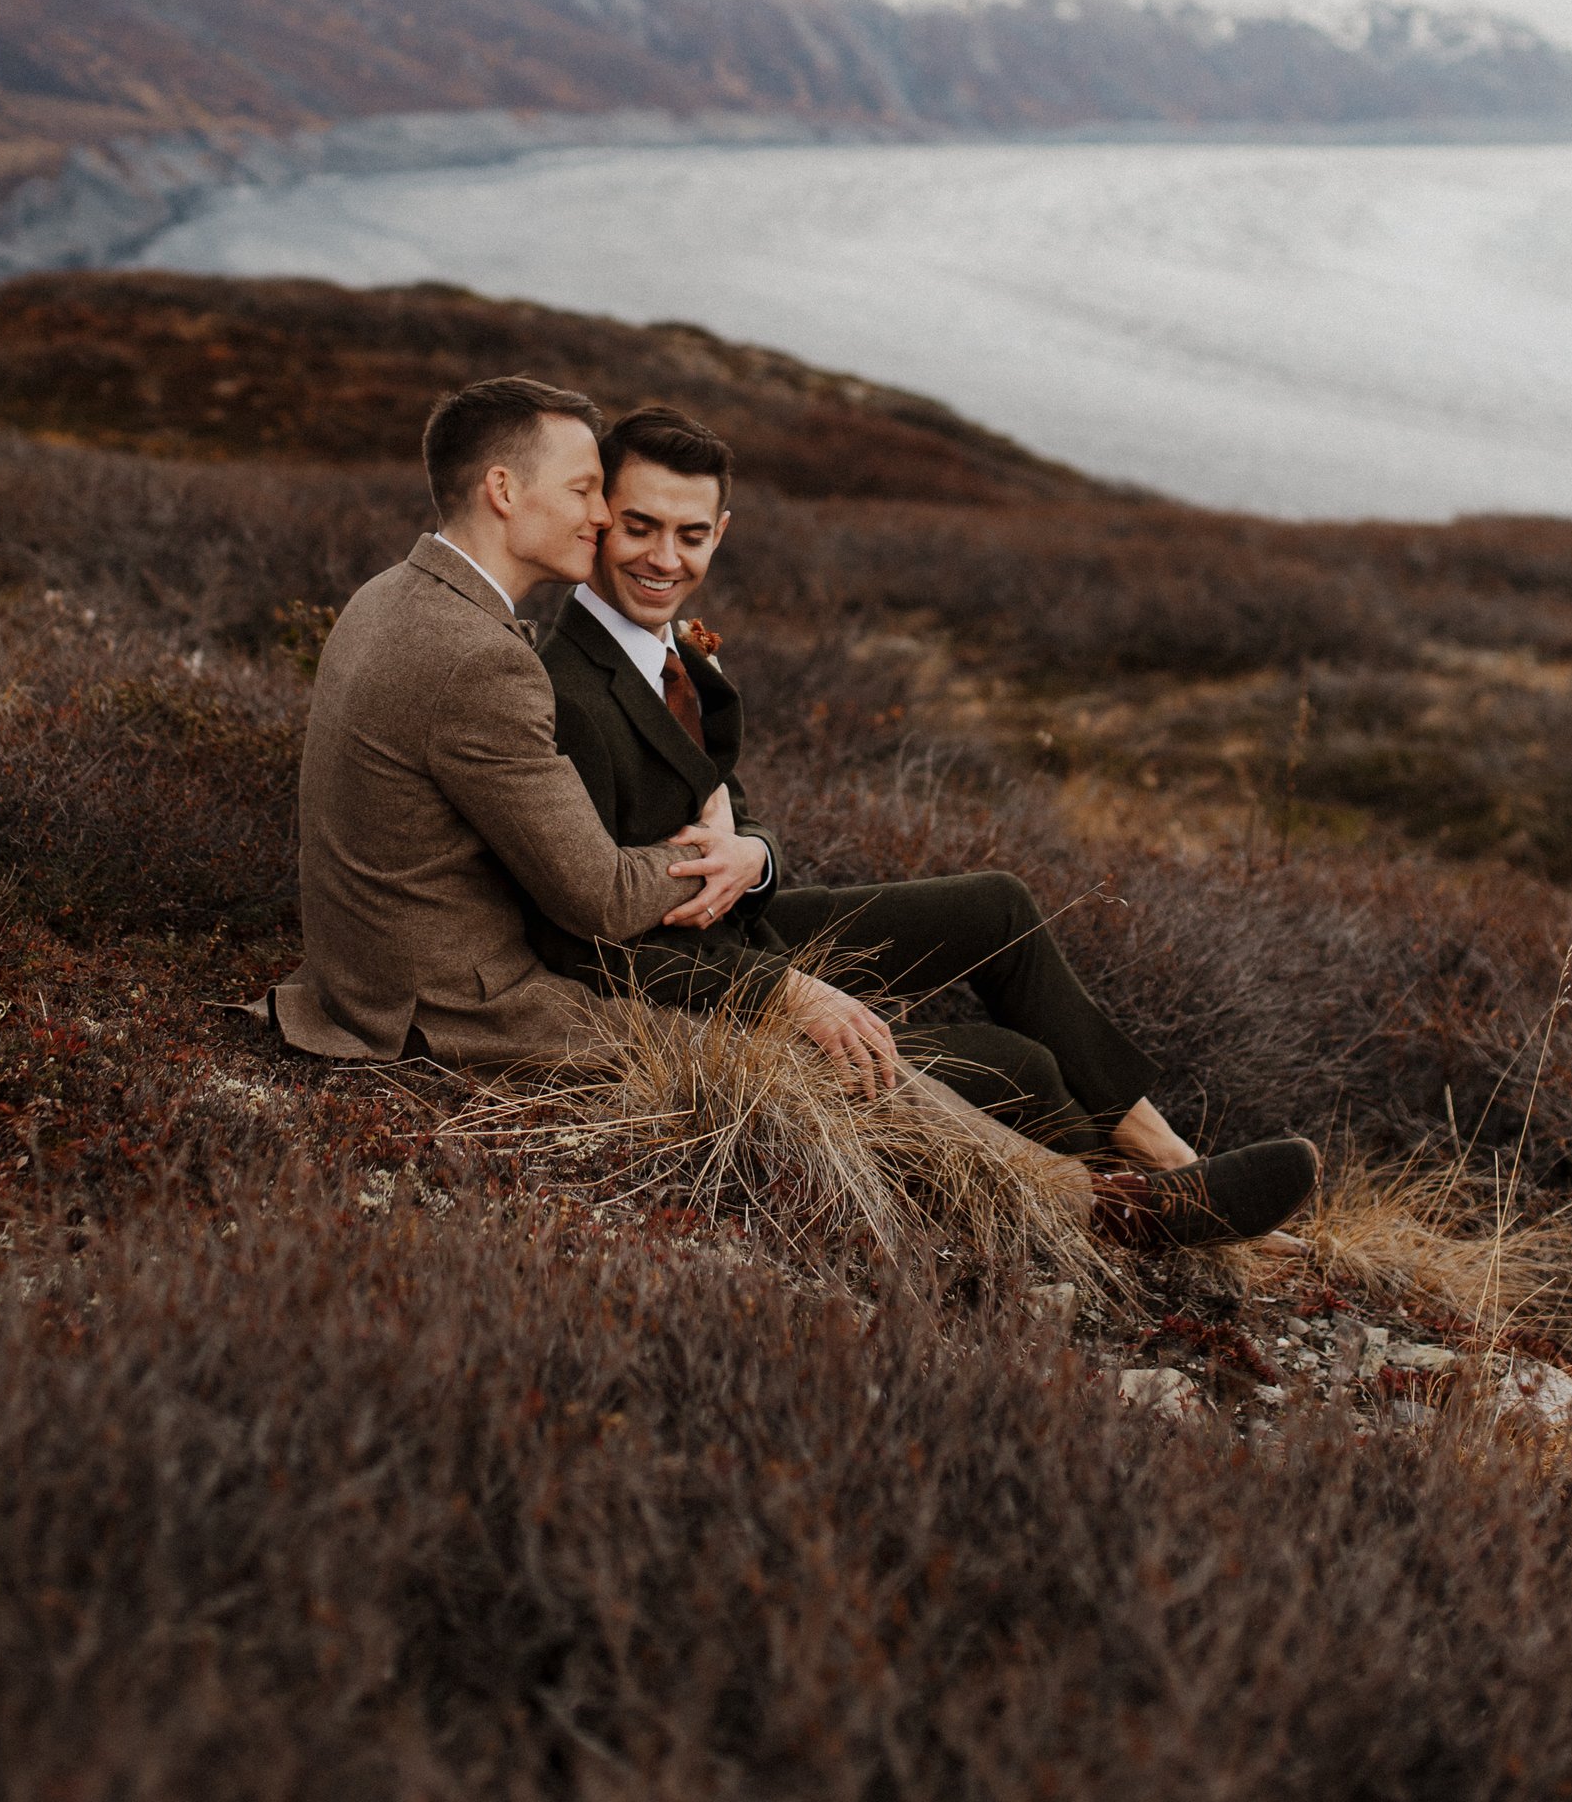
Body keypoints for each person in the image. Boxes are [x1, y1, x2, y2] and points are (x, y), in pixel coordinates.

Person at [274, 374, 1124, 1239]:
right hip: (460, 1006)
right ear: (503, 489)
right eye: (587, 494)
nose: (601, 520)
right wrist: (720, 861)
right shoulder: (486, 660)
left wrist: (748, 852)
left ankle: (1117, 1177)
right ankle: (1097, 1209)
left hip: (384, 979)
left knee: (922, 983)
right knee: (801, 1064)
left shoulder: (392, 594)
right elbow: (597, 899)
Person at [533, 398, 1319, 1250]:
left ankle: (1168, 1158)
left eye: (690, 534)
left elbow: (729, 802)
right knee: (1016, 1065)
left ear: (720, 531)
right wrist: (783, 992)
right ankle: (1141, 1214)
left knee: (999, 905)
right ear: (600, 516)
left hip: (743, 923)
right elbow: (587, 937)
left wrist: (753, 854)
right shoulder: (566, 691)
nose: (664, 556)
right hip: (684, 987)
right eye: (641, 526)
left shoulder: (669, 648)